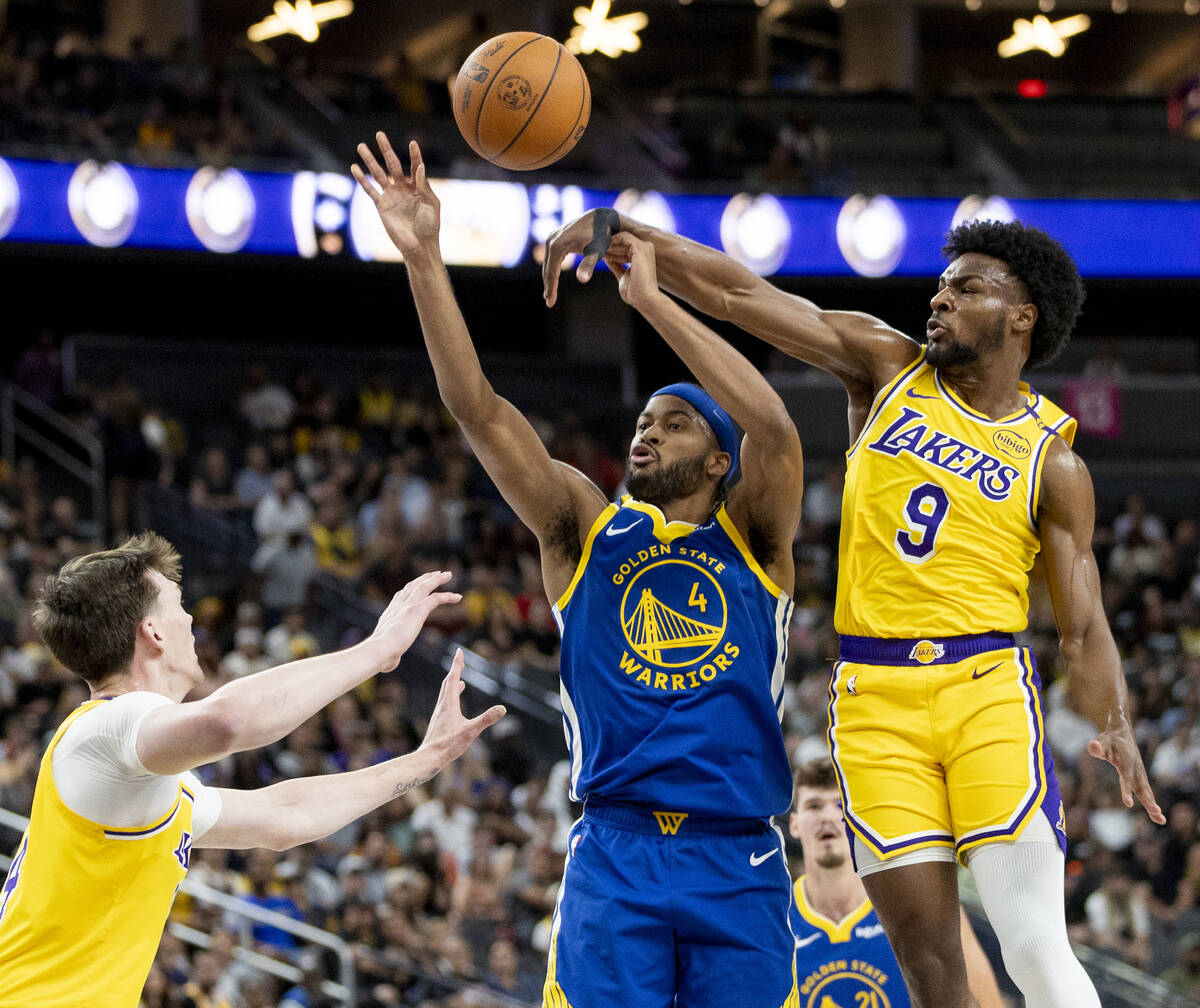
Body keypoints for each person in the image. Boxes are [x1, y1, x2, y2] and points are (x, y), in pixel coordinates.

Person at [543, 210, 1165, 1007]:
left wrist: (1114, 721)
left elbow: (1082, 627)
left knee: (1034, 943)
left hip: (987, 688)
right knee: (932, 969)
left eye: (966, 287)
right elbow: (740, 293)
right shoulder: (885, 366)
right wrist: (633, 235)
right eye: (940, 285)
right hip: (874, 701)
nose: (938, 300)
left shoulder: (1055, 459)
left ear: (1021, 316)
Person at [352, 132, 805, 1008]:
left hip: (741, 852)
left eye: (674, 423)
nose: (647, 431)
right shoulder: (582, 527)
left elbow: (776, 429)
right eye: (643, 419)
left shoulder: (755, 535)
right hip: (616, 850)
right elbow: (478, 412)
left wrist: (657, 303)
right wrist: (423, 260)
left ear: (718, 462)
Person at [0, 532, 504, 1008]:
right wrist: (378, 650)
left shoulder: (146, 784)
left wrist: (426, 759)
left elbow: (287, 814)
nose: (192, 619)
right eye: (178, 604)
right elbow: (229, 720)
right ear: (151, 631)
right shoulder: (100, 731)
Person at [789, 756, 1005, 1008]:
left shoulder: (919, 903)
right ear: (794, 824)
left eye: (840, 805)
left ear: (858, 819)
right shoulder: (775, 916)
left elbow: (989, 1002)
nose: (827, 816)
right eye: (814, 806)